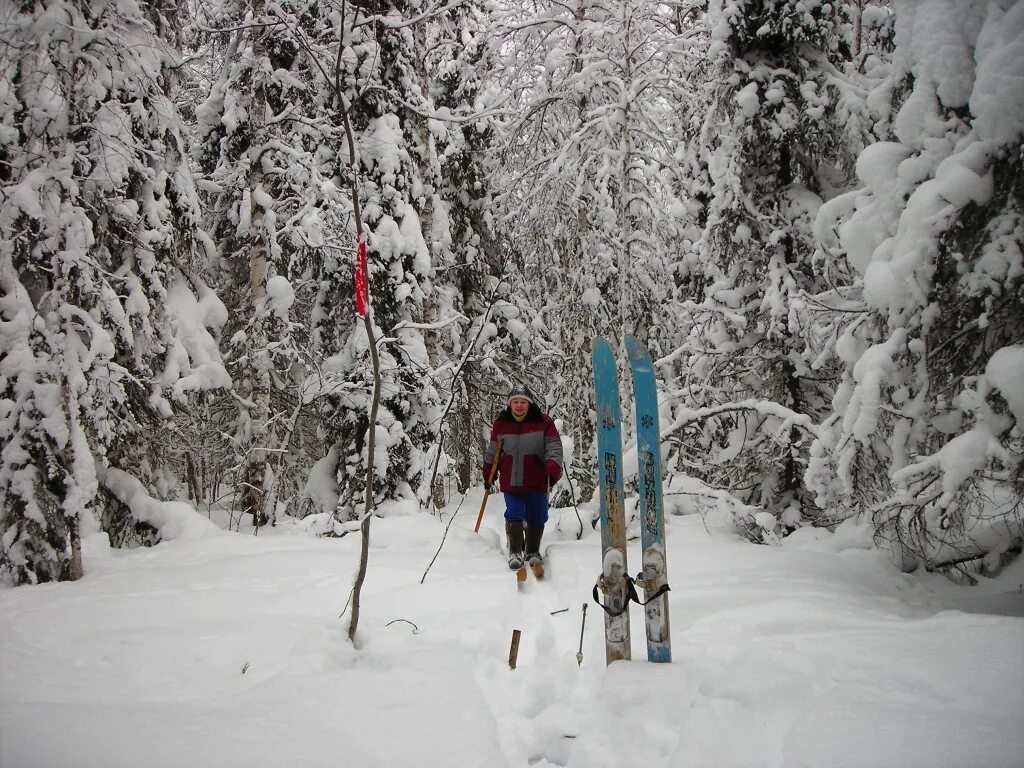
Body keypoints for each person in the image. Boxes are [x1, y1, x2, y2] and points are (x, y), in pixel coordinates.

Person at [482, 384, 564, 570]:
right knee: (514, 512)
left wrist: (552, 467)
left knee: (537, 515)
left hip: (537, 478)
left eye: (523, 402)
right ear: (510, 404)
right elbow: (493, 452)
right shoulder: (502, 424)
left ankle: (532, 551)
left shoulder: (543, 423)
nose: (519, 406)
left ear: (530, 404)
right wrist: (488, 472)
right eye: (515, 402)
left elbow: (554, 447)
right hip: (511, 479)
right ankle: (515, 552)